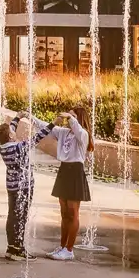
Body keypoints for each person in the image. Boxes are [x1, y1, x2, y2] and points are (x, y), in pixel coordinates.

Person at [0, 117, 48, 260]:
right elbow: (37, 137)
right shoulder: (18, 147)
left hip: (12, 186)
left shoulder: (3, 146)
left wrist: (17, 117)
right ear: (10, 136)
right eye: (12, 131)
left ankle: (11, 247)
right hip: (23, 187)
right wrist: (54, 124)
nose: (14, 131)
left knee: (13, 215)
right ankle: (18, 249)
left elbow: (9, 130)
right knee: (21, 217)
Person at [49, 108, 92, 259]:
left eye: (73, 116)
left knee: (73, 212)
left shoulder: (83, 134)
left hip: (75, 172)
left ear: (79, 118)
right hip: (64, 171)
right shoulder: (64, 132)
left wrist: (70, 117)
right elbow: (45, 127)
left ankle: (69, 250)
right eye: (69, 115)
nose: (68, 119)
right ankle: (62, 246)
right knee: (64, 212)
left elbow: (78, 130)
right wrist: (28, 116)